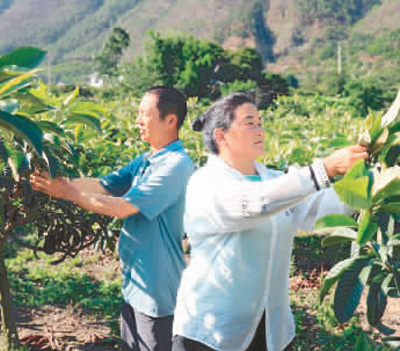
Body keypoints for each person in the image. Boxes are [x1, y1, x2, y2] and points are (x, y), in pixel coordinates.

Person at [171, 93, 369, 351]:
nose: (259, 130)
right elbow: (255, 204)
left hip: (270, 331)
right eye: (249, 122)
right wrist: (323, 169)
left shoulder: (274, 180)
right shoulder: (206, 183)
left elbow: (325, 208)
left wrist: (374, 179)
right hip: (213, 331)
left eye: (260, 122)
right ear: (221, 135)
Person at [30, 86, 195, 351]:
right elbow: (104, 185)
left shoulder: (176, 165)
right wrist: (55, 183)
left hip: (157, 291)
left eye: (145, 114)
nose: (138, 120)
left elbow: (124, 207)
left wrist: (68, 192)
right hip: (135, 285)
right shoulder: (147, 160)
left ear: (171, 120)